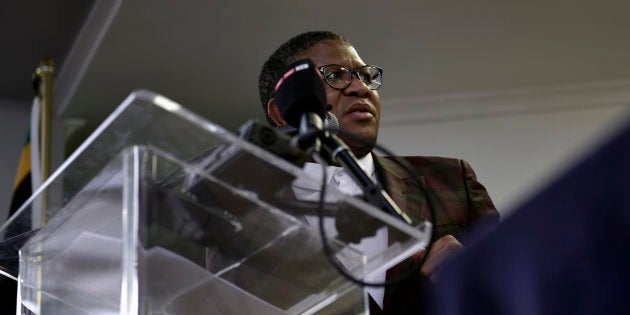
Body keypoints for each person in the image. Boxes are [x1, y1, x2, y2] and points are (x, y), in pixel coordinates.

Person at [258, 31, 500, 314]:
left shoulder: (450, 178)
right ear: (282, 112)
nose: (360, 88)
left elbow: (521, 278)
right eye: (335, 75)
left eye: (366, 76)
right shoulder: (246, 216)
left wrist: (475, 274)